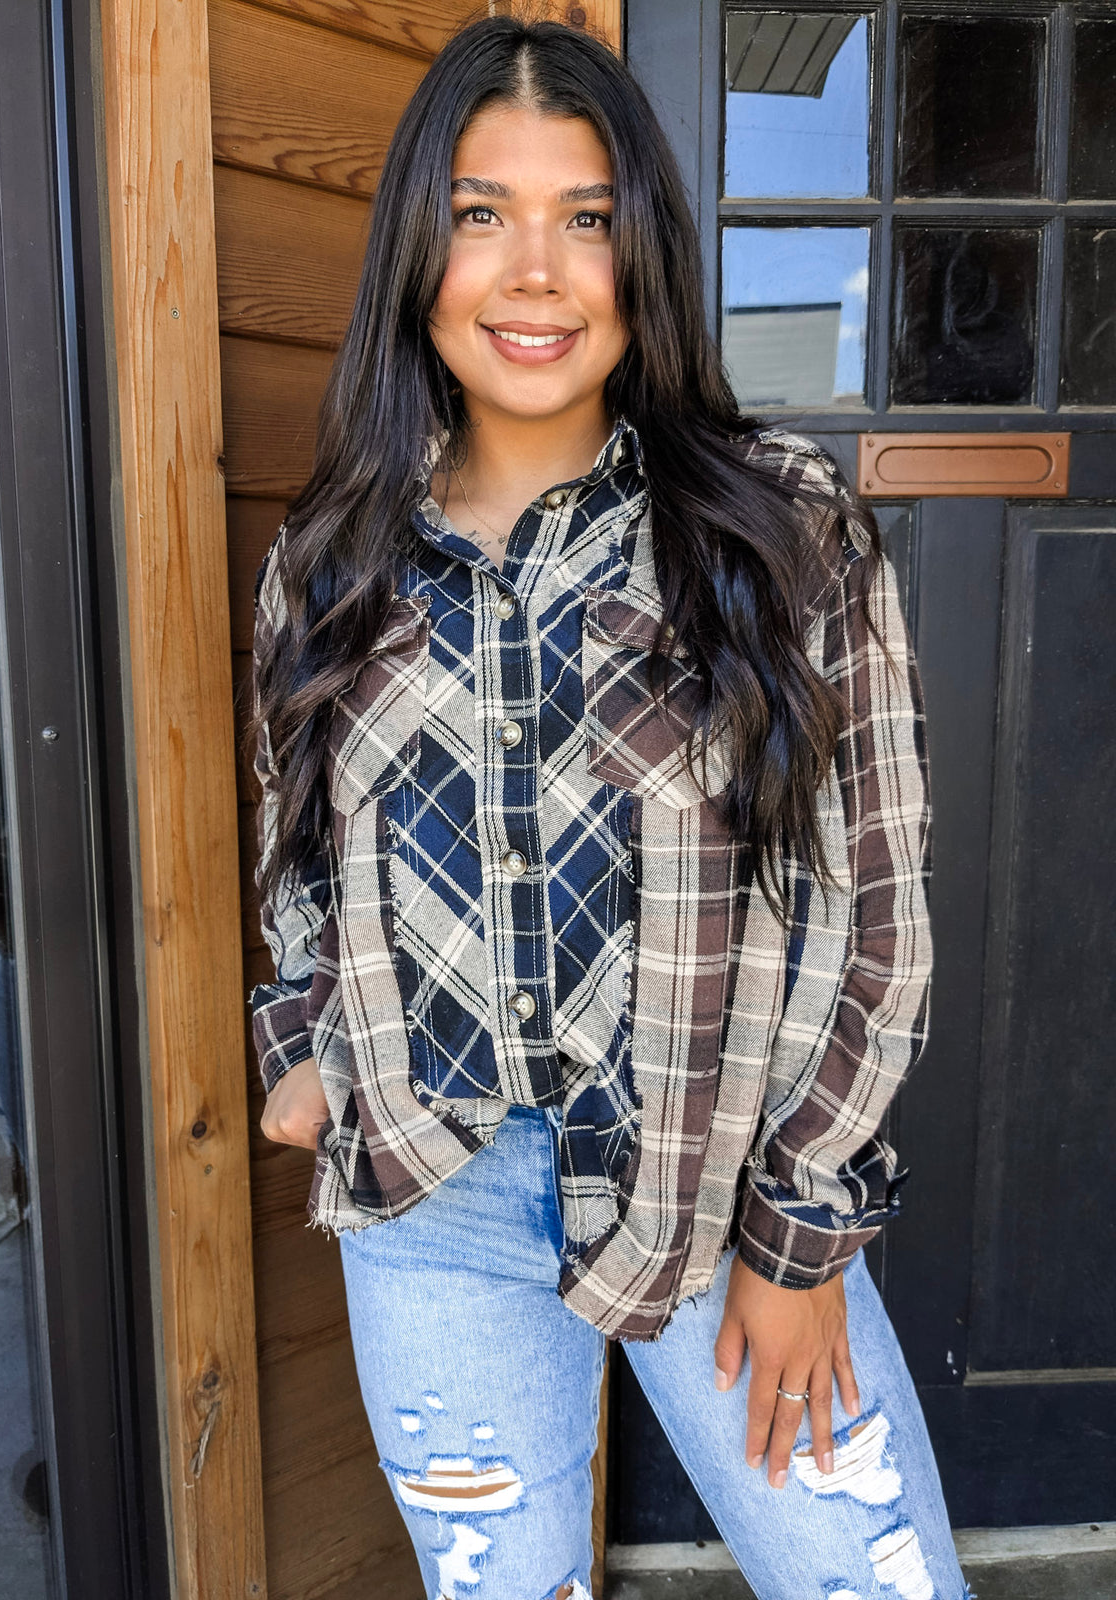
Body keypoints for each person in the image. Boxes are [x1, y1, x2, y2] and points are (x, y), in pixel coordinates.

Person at [248, 17, 968, 1600]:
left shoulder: (782, 530)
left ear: (640, 255)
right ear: (416, 253)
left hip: (718, 1198)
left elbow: (880, 914)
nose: (533, 272)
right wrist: (303, 1046)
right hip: (430, 1207)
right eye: (481, 212)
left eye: (585, 218)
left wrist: (800, 1233)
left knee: (874, 1587)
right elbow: (291, 853)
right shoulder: (329, 564)